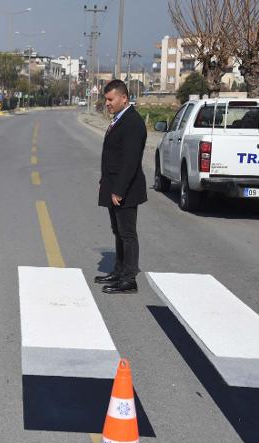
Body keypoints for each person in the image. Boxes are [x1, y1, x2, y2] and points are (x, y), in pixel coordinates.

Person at [95, 80, 147, 294]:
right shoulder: (119, 119)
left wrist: (119, 190)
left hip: (125, 188)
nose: (107, 103)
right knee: (117, 231)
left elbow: (130, 160)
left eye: (110, 99)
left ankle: (129, 279)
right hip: (113, 185)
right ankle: (118, 271)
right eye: (106, 99)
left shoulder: (132, 122)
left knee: (127, 234)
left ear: (124, 98)